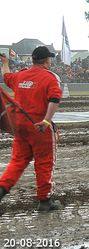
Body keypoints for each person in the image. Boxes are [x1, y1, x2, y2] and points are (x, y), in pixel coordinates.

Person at [0, 46, 63, 211]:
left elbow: (6, 77)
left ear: (33, 60)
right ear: (47, 60)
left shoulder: (21, 75)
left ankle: (1, 189)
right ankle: (45, 200)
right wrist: (47, 121)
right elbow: (55, 99)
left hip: (20, 126)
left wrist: (5, 63)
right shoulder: (50, 78)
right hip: (40, 128)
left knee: (17, 162)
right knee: (44, 163)